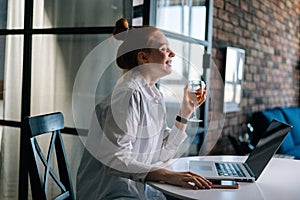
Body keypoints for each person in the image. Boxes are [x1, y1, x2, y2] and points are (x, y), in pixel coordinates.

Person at [76, 18, 211, 200]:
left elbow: (164, 153)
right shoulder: (128, 94)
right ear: (144, 57)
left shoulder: (153, 94)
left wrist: (185, 113)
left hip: (138, 190)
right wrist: (167, 175)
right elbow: (114, 160)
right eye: (164, 48)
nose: (172, 54)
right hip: (112, 194)